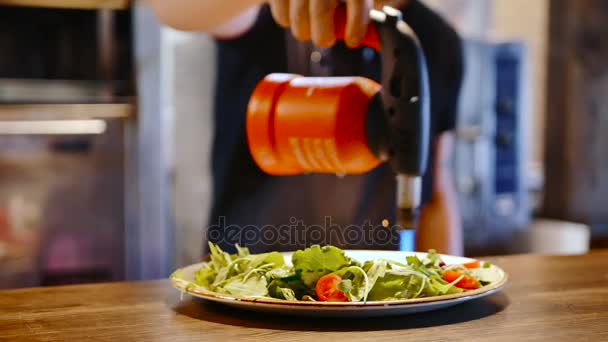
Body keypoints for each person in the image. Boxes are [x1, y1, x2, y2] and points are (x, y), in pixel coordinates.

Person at [144, 0, 463, 255]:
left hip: (369, 295)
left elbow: (435, 184)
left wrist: (446, 301)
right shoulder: (268, 15)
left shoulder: (435, 41)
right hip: (248, 282)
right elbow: (170, 8)